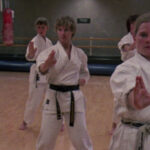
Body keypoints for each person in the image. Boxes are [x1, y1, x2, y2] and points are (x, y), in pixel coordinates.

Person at [36, 16, 93, 150]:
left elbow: (85, 72)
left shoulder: (80, 54)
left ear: (72, 32)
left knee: (81, 140)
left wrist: (84, 79)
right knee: (45, 140)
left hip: (74, 97)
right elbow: (41, 69)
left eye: (66, 30)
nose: (63, 33)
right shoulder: (49, 53)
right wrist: (46, 65)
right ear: (56, 31)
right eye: (60, 30)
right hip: (53, 96)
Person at [109, 12, 150, 150]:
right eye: (143, 35)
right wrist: (134, 99)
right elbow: (127, 88)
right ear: (135, 37)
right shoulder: (125, 69)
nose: (148, 40)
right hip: (132, 138)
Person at [19, 17, 53, 130]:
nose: (40, 29)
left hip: (48, 74)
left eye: (43, 27)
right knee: (33, 100)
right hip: (37, 75)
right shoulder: (33, 41)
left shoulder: (49, 42)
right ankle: (25, 121)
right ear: (36, 28)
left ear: (47, 28)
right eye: (39, 27)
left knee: (53, 98)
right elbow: (29, 57)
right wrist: (31, 54)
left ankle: (58, 121)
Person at [109, 14, 140, 135]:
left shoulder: (144, 37)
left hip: (140, 71)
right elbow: (127, 48)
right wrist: (136, 42)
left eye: (136, 23)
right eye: (132, 24)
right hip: (127, 72)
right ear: (129, 26)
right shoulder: (125, 39)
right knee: (118, 100)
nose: (134, 26)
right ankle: (114, 125)